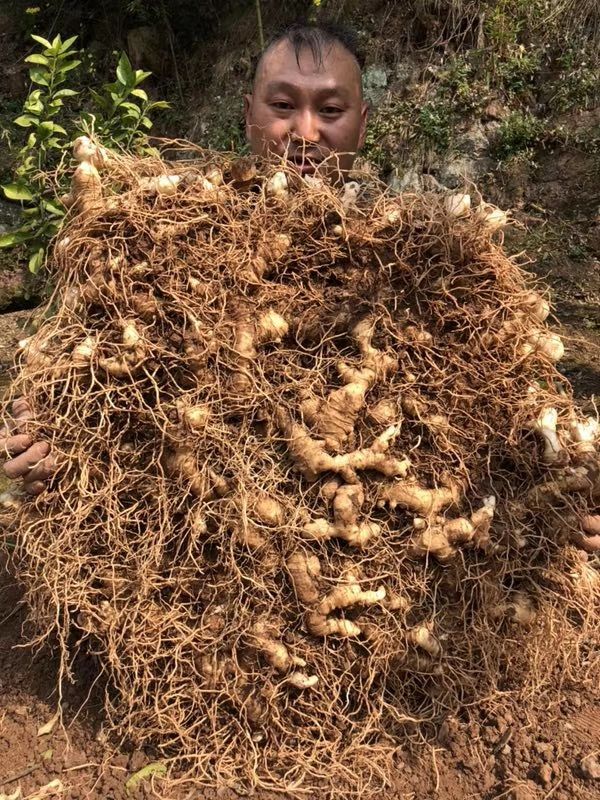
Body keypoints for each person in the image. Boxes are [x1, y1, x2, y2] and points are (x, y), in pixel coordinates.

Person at [1, 21, 599, 548]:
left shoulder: (429, 265)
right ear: (249, 112)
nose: (305, 133)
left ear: (362, 124)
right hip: (205, 562)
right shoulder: (153, 239)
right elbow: (81, 367)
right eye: (283, 106)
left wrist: (564, 497)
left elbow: (506, 418)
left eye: (330, 111)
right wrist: (45, 423)